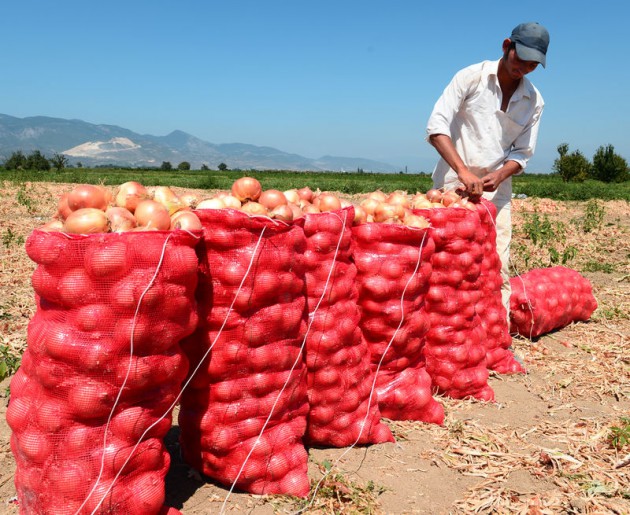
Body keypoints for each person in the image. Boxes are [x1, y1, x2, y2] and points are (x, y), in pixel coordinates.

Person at [426, 21, 550, 319]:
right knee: (446, 269)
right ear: (506, 46)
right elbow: (436, 127)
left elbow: (522, 153)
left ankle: (497, 343)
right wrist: (463, 171)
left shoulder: (533, 101)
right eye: (520, 59)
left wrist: (501, 174)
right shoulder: (471, 78)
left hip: (496, 196)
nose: (524, 68)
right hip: (449, 189)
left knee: (497, 266)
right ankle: (444, 338)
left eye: (533, 64)